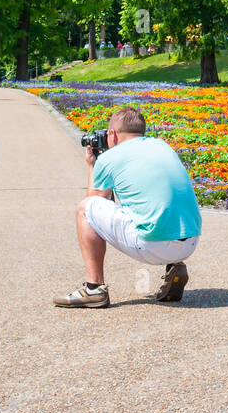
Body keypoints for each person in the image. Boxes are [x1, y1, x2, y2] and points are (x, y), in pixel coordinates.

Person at [56, 106, 201, 308]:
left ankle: (94, 289)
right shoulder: (162, 146)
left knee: (84, 208)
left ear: (113, 134)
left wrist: (92, 165)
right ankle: (174, 266)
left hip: (153, 246)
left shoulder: (108, 159)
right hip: (190, 242)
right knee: (156, 203)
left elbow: (94, 204)